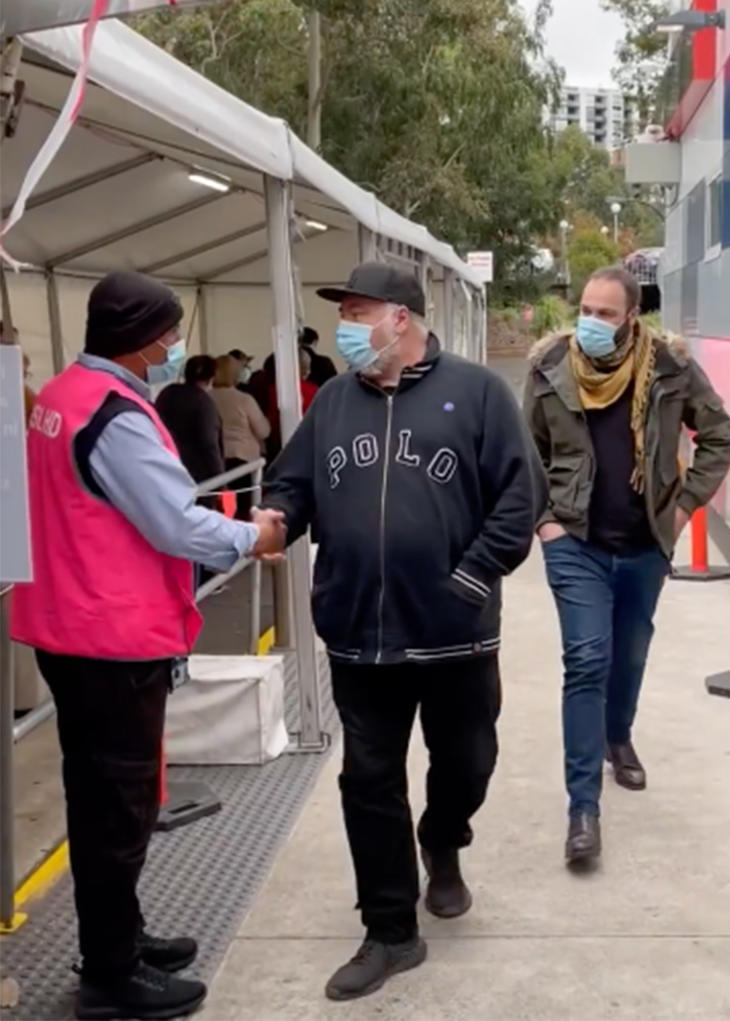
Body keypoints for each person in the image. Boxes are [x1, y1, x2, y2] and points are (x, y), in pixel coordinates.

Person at [263, 262, 544, 1002]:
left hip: (454, 633)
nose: (345, 328)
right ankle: (390, 928)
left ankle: (444, 838)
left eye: (357, 312)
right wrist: (277, 516)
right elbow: (291, 482)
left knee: (468, 761)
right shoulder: (331, 402)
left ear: (402, 318)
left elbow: (521, 495)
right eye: (344, 313)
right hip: (359, 632)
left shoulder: (478, 392)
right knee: (368, 779)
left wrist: (474, 575)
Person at [10, 272, 286, 1021]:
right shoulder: (113, 415)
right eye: (167, 332)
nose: (173, 345)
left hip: (69, 625)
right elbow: (172, 522)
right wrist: (251, 536)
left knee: (98, 797)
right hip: (110, 637)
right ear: (140, 339)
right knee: (119, 809)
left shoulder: (61, 395)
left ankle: (121, 936)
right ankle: (110, 974)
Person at [524, 265, 730, 864]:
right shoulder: (549, 369)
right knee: (587, 660)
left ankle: (619, 737)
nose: (590, 322)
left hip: (644, 543)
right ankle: (582, 809)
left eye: (605, 314)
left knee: (630, 652)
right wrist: (546, 522)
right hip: (576, 542)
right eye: (585, 309)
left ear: (632, 317)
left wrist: (685, 505)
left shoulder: (669, 368)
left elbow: (718, 436)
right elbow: (528, 453)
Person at [210, 354, 271, 521]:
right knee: (244, 510)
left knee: (222, 510)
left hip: (217, 460)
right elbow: (263, 431)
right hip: (244, 461)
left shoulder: (206, 398)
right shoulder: (244, 399)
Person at [155, 355, 224, 486]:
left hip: (167, 466)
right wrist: (221, 478)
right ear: (211, 379)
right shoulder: (203, 402)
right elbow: (209, 443)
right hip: (198, 474)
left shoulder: (168, 393)